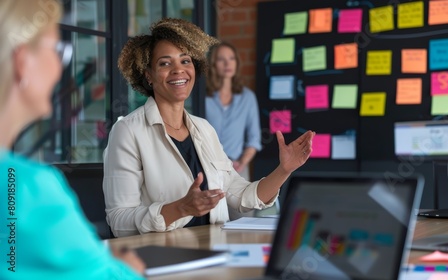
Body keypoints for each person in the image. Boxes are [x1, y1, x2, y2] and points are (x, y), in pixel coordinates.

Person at [104, 18, 315, 237]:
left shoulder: (204, 129)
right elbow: (119, 222)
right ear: (148, 75)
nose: (178, 70)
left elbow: (240, 196)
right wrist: (180, 208)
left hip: (212, 253)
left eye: (185, 61)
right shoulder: (128, 131)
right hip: (163, 259)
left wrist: (284, 170)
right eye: (165, 63)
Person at [0, 0, 145, 279]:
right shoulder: (25, 188)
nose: (60, 65)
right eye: (57, 50)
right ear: (23, 62)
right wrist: (127, 269)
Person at [205, 42, 261, 181]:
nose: (227, 63)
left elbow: (254, 139)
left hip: (237, 169)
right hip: (207, 167)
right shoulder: (203, 98)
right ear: (213, 64)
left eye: (231, 58)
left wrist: (242, 163)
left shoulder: (247, 97)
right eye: (221, 59)